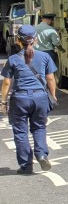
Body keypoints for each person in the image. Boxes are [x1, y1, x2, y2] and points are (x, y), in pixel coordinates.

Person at [0, 24, 58, 175]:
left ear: (18, 41)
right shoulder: (45, 57)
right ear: (35, 40)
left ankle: (26, 165)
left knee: (20, 132)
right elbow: (50, 79)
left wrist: (3, 102)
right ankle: (41, 154)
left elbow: (7, 82)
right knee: (39, 127)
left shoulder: (12, 59)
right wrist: (53, 96)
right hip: (40, 97)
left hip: (20, 98)